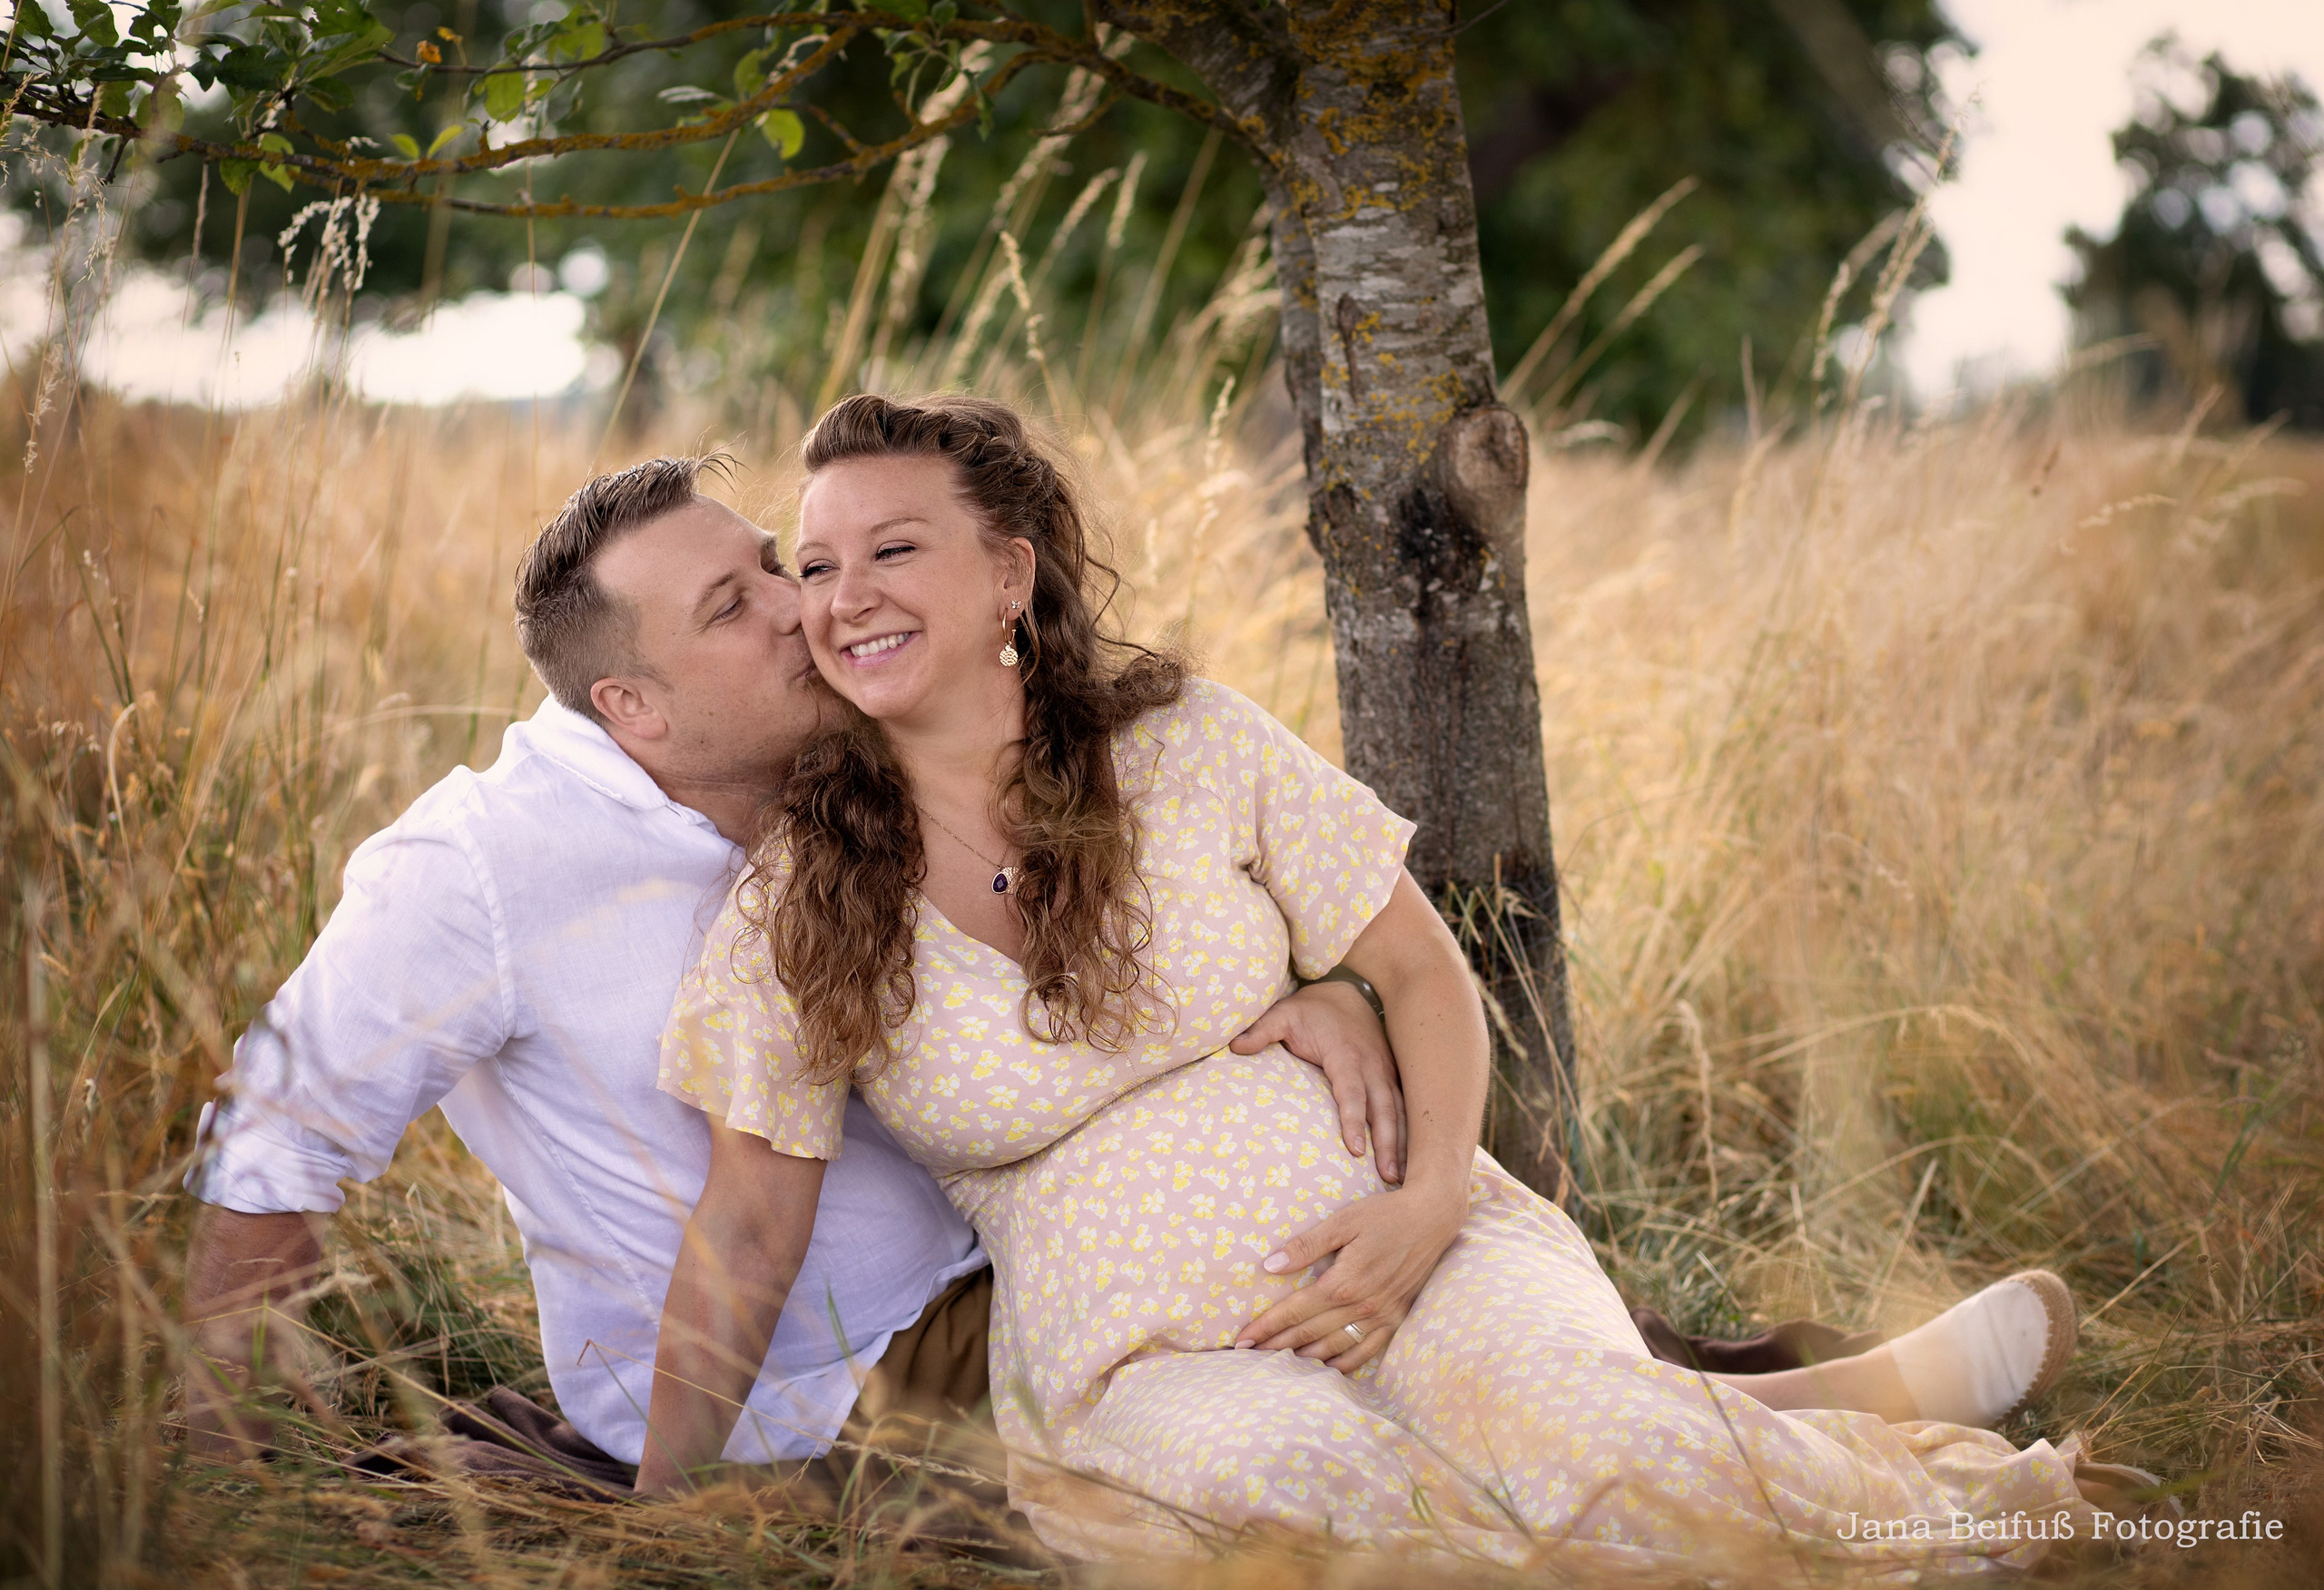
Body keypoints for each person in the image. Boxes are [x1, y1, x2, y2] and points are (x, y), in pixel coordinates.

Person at [180, 454, 1833, 1513]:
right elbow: (278, 1139)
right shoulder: (472, 870)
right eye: (739, 605)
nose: (806, 612)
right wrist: (212, 1468)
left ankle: (1755, 1422)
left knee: (1437, 1284)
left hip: (1050, 1252)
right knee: (1343, 1427)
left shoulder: (863, 770)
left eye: (779, 565)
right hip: (850, 1378)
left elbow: (1141, 907)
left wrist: (1324, 995)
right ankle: (1770, 1429)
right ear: (635, 709)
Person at [650, 395, 2116, 1570]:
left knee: (1601, 1451)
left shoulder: (1190, 747)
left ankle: (1919, 1495)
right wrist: (656, 1511)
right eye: (816, 566)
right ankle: (1841, 1405)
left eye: (894, 550)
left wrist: (1427, 1207)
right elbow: (749, 1223)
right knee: (1335, 1515)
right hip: (1138, 1359)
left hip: (1417, 1243)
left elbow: (1418, 971)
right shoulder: (801, 902)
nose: (844, 598)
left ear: (1009, 576)